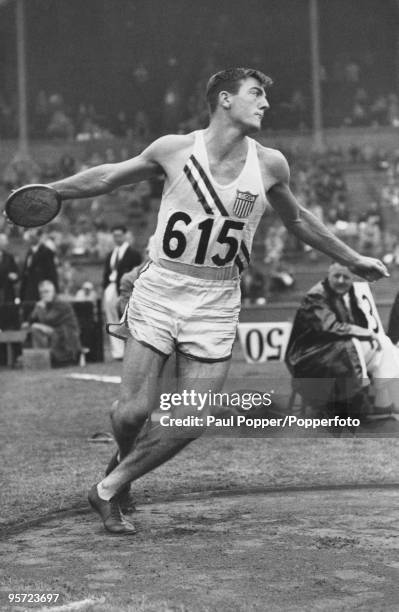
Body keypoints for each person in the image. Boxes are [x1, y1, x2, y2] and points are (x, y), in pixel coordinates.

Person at [38, 67, 389, 534]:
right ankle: (123, 466)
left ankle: (109, 486)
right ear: (225, 99)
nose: (265, 103)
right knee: (132, 413)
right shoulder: (175, 150)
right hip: (161, 288)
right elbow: (109, 177)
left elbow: (299, 220)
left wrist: (354, 257)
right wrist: (53, 192)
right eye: (256, 94)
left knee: (193, 416)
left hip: (218, 299)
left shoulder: (269, 165)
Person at [285, 263, 399, 431]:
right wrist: (364, 333)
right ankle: (358, 403)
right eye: (337, 276)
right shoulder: (316, 296)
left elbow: (358, 325)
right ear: (328, 276)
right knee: (351, 346)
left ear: (352, 279)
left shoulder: (349, 293)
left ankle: (383, 401)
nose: (341, 280)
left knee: (383, 343)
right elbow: (331, 327)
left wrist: (371, 337)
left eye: (346, 277)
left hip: (333, 348)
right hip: (307, 356)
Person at [102, 225, 142, 360]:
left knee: (125, 317)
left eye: (119, 235)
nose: (117, 238)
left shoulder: (133, 254)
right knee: (111, 319)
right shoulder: (110, 254)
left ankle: (129, 349)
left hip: (124, 289)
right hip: (111, 287)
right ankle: (117, 351)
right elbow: (106, 273)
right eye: (114, 235)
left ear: (125, 235)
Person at [23, 279, 81, 367]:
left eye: (47, 291)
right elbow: (32, 319)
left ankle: (44, 357)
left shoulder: (60, 302)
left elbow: (48, 319)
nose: (44, 295)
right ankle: (41, 356)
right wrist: (35, 312)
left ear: (53, 291)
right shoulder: (47, 304)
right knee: (35, 328)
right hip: (56, 331)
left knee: (36, 327)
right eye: (41, 293)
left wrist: (40, 309)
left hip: (67, 334)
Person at [20, 228, 58, 302]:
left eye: (33, 236)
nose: (30, 238)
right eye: (30, 236)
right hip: (28, 291)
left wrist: (54, 290)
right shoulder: (29, 252)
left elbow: (51, 272)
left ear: (39, 237)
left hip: (41, 290)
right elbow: (26, 272)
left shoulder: (47, 252)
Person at [0, 233, 19, 305]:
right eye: (4, 241)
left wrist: (15, 276)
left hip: (6, 293)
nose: (7, 243)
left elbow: (17, 273)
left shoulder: (9, 257)